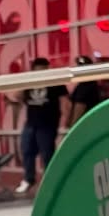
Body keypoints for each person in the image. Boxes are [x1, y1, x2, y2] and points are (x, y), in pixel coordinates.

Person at [16, 57, 67, 195]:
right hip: (31, 123)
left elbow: (64, 101)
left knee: (47, 153)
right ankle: (28, 178)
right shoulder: (30, 82)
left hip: (48, 123)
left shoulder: (54, 82)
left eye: (44, 69)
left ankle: (49, 180)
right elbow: (18, 96)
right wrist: (25, 81)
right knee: (26, 149)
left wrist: (65, 121)